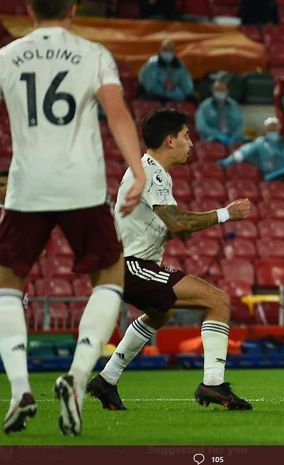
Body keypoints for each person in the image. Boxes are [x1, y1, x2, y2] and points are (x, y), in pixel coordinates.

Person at [0, 0, 146, 436]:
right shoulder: (93, 53)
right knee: (109, 277)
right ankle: (78, 378)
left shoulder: (6, 56)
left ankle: (20, 389)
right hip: (81, 186)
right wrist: (137, 170)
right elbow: (116, 113)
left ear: (29, 9)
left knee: (7, 282)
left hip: (27, 186)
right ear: (74, 9)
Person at [87, 108, 253, 412]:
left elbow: (169, 224)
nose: (191, 143)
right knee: (217, 300)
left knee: (160, 314)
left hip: (130, 265)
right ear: (170, 140)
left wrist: (181, 228)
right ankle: (213, 384)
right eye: (186, 136)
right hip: (132, 266)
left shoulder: (150, 171)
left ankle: (106, 381)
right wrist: (226, 213)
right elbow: (177, 222)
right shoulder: (151, 173)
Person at [218, 116, 284, 185]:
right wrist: (228, 161)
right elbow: (243, 152)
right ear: (265, 130)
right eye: (270, 128)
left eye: (274, 128)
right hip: (273, 177)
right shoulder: (260, 143)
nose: (272, 130)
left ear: (279, 129)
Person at [195, 79, 246, 146]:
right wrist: (218, 135)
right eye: (217, 90)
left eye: (222, 90)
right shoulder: (204, 106)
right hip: (211, 139)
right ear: (212, 90)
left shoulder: (234, 105)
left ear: (227, 91)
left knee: (249, 142)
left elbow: (241, 124)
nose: (219, 92)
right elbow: (201, 126)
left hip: (233, 138)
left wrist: (234, 136)